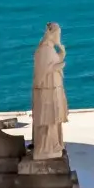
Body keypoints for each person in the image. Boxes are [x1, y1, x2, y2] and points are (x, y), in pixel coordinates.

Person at [30, 22, 68, 161]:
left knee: (53, 119)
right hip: (47, 90)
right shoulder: (44, 50)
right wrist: (58, 66)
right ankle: (47, 148)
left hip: (53, 88)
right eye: (58, 33)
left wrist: (61, 54)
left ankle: (53, 145)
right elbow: (42, 72)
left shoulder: (51, 49)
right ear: (52, 34)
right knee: (48, 119)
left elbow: (51, 63)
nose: (59, 36)